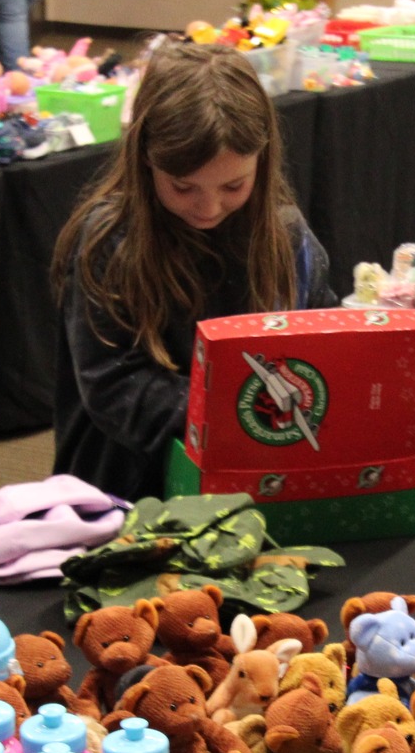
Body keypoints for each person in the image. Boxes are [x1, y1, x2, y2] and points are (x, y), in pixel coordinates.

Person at [52, 42, 337, 500]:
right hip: (126, 487)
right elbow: (113, 386)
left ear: (261, 163)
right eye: (183, 187)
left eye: (233, 185)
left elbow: (323, 342)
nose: (208, 207)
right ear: (146, 159)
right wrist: (235, 413)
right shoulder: (109, 242)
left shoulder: (287, 237)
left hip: (251, 474)